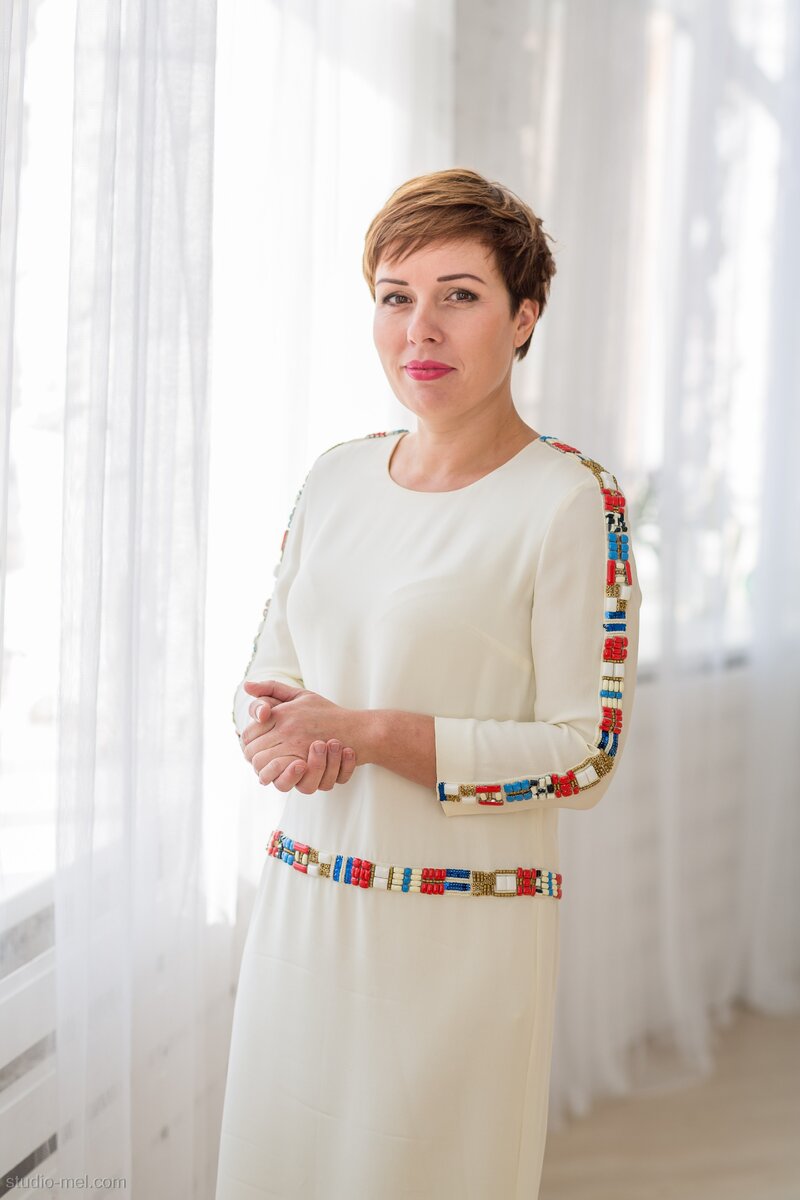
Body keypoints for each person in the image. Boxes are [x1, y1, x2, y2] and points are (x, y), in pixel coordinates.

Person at [214, 167, 641, 1200]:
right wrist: (280, 733)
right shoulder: (335, 477)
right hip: (303, 916)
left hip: (460, 939)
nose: (421, 329)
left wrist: (365, 732)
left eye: (459, 295)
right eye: (395, 296)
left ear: (523, 317)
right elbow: (269, 673)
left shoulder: (570, 501)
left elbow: (584, 757)